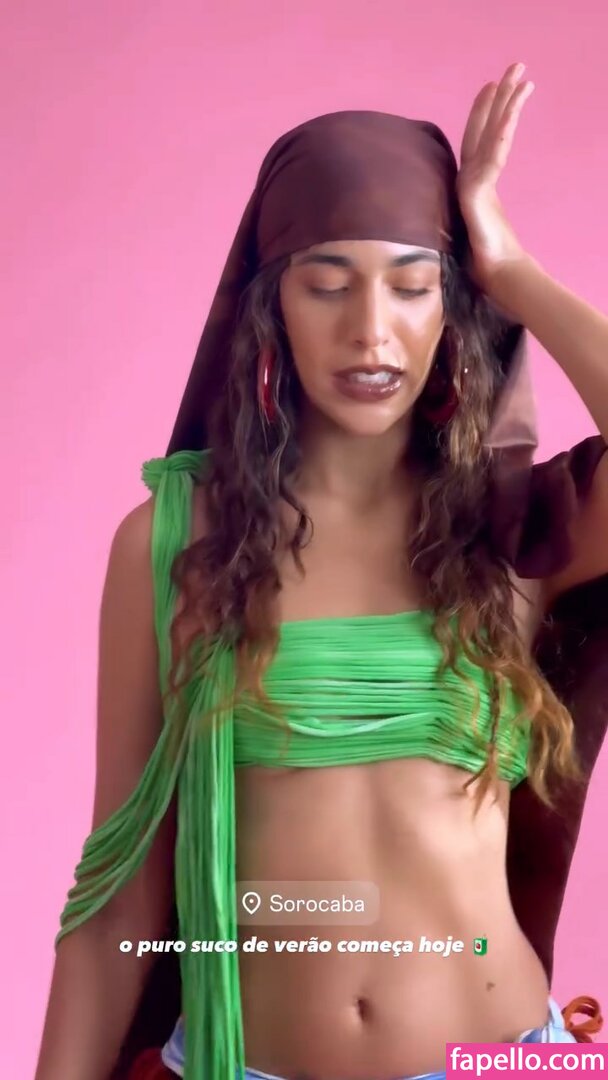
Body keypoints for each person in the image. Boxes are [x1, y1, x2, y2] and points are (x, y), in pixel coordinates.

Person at [35, 63, 608, 1080]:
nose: (370, 331)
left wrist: (510, 268)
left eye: (412, 286)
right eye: (328, 285)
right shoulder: (175, 541)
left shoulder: (512, 530)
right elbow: (118, 885)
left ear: (452, 306)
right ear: (272, 309)